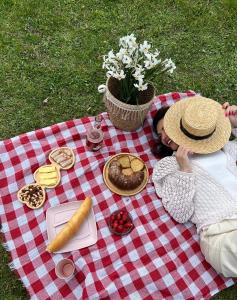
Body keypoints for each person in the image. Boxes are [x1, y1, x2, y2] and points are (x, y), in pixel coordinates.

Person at [152, 95, 237, 277]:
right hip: (220, 235)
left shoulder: (222, 148)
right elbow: (180, 213)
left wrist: (235, 125)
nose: (164, 137)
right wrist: (184, 168)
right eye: (160, 135)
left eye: (166, 129)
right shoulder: (168, 165)